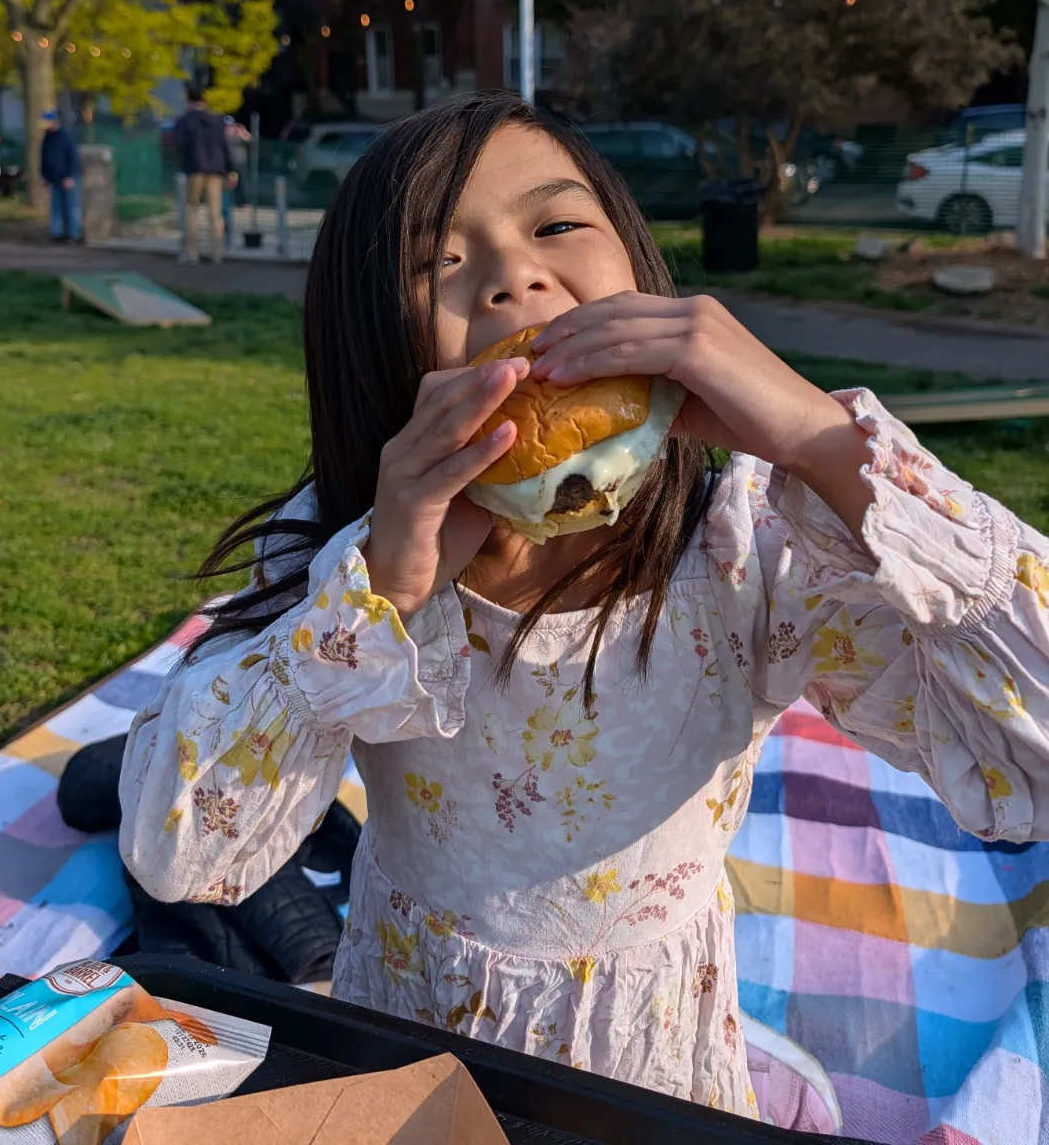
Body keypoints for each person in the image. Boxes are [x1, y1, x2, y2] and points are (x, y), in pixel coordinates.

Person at [120, 93, 1049, 1120]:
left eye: (554, 226)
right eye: (438, 265)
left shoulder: (749, 540)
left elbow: (1030, 759)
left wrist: (822, 445)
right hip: (409, 1036)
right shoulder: (356, 554)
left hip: (652, 1063)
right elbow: (182, 856)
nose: (515, 277)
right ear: (372, 350)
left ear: (642, 274)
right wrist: (375, 591)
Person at [171, 85, 237, 265]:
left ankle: (192, 251)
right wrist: (230, 169)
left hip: (195, 168)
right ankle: (217, 252)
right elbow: (225, 145)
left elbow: (179, 144)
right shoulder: (217, 120)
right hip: (217, 169)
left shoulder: (185, 120)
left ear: (188, 100)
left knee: (192, 208)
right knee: (215, 212)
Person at [40, 111, 82, 242]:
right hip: (54, 177)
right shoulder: (47, 137)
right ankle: (58, 233)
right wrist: (44, 175)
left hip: (67, 177)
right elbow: (44, 158)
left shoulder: (66, 136)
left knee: (71, 207)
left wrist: (69, 176)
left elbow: (73, 158)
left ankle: (73, 234)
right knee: (57, 207)